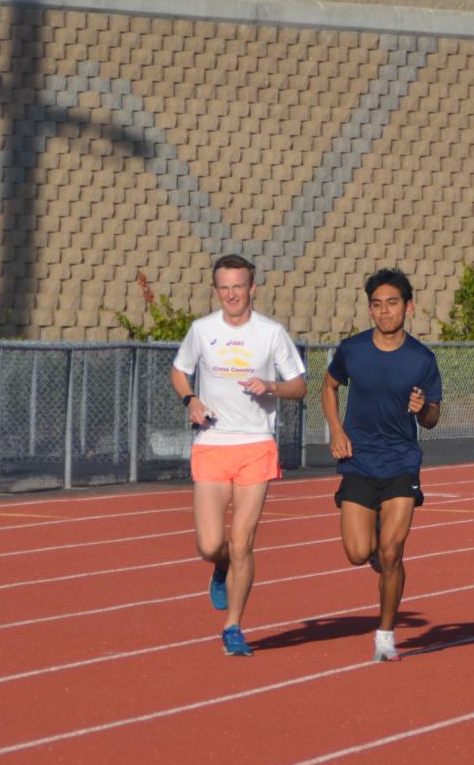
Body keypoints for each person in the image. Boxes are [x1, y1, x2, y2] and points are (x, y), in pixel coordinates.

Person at [171, 254, 308, 656]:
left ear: (252, 289)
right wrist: (191, 399)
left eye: (239, 286)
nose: (232, 294)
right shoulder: (201, 330)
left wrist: (272, 387)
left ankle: (233, 626)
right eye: (224, 287)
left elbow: (298, 385)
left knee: (243, 541)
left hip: (255, 445)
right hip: (212, 444)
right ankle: (220, 565)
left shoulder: (271, 333)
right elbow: (179, 371)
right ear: (215, 290)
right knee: (211, 544)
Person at [322, 269, 443, 662]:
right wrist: (336, 431)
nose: (384, 311)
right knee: (359, 554)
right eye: (377, 304)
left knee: (392, 552)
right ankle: (373, 537)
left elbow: (432, 419)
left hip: (401, 461)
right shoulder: (352, 350)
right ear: (370, 309)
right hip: (359, 460)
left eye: (392, 303)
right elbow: (328, 386)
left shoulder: (422, 359)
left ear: (408, 307)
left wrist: (421, 408)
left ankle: (386, 635)